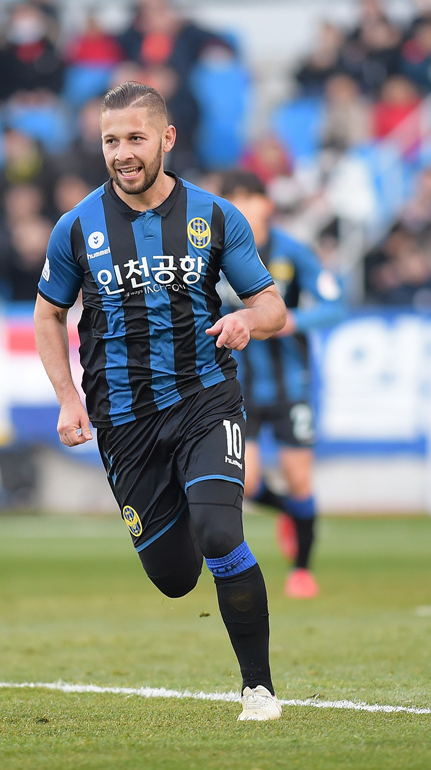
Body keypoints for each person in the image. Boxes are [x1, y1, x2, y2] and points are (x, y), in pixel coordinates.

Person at [33, 82, 287, 721]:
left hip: (205, 398)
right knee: (174, 578)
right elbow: (48, 314)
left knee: (220, 532)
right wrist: (67, 399)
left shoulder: (215, 216)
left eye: (135, 138)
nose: (121, 152)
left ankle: (258, 689)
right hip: (124, 421)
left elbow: (272, 305)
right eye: (110, 140)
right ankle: (191, 514)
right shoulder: (76, 227)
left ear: (166, 139)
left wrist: (247, 321)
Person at [216, 170, 344, 599]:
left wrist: (293, 321)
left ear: (266, 204)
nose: (241, 208)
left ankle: (302, 571)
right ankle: (291, 514)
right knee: (246, 482)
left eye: (248, 198)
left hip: (291, 385)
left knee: (299, 478)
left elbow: (335, 305)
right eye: (232, 200)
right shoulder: (215, 253)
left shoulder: (293, 251)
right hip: (239, 387)